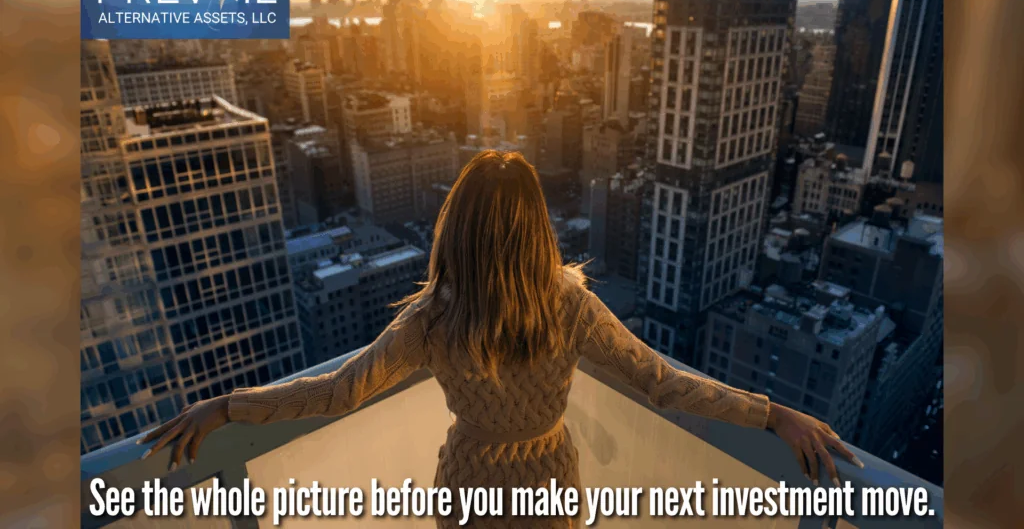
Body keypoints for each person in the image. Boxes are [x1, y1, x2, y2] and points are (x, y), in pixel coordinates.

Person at [139, 150, 863, 527]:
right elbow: (665, 383)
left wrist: (228, 407)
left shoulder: (432, 318)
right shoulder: (570, 306)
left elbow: (334, 392)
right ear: (535, 226)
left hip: (469, 490)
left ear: (458, 225)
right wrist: (773, 413)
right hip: (550, 487)